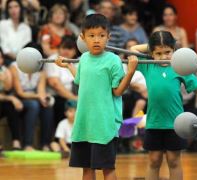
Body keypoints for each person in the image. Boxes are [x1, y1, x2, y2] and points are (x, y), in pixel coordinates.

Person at [130, 31, 197, 180]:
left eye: (168, 52)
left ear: (174, 51)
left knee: (174, 161)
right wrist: (152, 46)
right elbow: (133, 50)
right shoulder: (148, 65)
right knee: (154, 160)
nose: (163, 57)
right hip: (154, 123)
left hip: (176, 124)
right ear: (151, 53)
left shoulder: (180, 67)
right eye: (158, 53)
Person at [54, 14, 138, 180]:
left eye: (101, 35)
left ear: (108, 37)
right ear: (83, 37)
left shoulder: (113, 60)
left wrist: (130, 72)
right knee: (86, 169)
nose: (96, 40)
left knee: (107, 169)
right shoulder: (84, 58)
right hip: (85, 124)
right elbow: (80, 78)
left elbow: (118, 92)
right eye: (91, 36)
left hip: (104, 124)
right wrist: (68, 65)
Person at [10, 43, 54, 151]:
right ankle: (27, 144)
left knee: (47, 107)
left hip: (33, 96)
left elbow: (41, 91)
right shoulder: (14, 66)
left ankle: (45, 144)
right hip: (18, 97)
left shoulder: (41, 70)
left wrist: (44, 99)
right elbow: (20, 92)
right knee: (34, 105)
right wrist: (39, 96)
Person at [44, 35, 78, 127]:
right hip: (56, 96)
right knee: (65, 105)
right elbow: (55, 84)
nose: (66, 51)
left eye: (70, 48)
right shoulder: (53, 59)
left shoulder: (77, 62)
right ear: (59, 48)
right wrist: (74, 98)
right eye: (64, 47)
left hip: (75, 96)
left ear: (75, 50)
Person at [0, 47, 23, 150]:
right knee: (10, 102)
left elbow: (8, 88)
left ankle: (16, 142)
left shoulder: (5, 70)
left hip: (2, 100)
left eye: (0, 57)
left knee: (10, 107)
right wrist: (11, 98)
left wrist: (5, 80)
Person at [0, 0, 32, 66]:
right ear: (7, 10)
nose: (13, 10)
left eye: (16, 6)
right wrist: (17, 59)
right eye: (10, 7)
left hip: (23, 60)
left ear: (21, 8)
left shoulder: (26, 28)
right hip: (6, 60)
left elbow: (27, 48)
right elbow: (4, 48)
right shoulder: (2, 24)